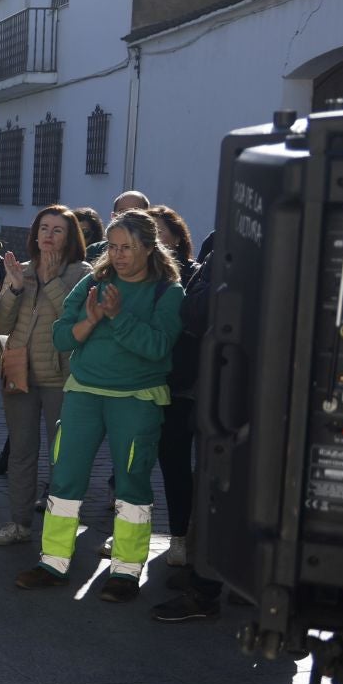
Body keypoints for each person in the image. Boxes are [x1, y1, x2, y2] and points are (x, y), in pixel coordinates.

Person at [15, 209, 183, 602]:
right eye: (114, 247)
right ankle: (52, 562)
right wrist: (90, 322)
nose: (119, 255)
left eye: (128, 247)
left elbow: (158, 349)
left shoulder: (167, 292)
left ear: (148, 248)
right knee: (65, 480)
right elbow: (60, 338)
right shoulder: (94, 281)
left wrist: (118, 317)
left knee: (132, 485)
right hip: (84, 394)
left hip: (137, 400)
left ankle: (125, 571)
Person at [0, 205, 84, 546]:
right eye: (44, 227)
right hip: (19, 373)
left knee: (62, 456)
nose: (49, 235)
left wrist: (54, 281)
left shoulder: (81, 272)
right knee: (22, 453)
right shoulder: (21, 270)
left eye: (58, 230)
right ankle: (19, 523)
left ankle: (59, 534)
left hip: (61, 378)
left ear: (70, 237)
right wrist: (13, 288)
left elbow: (74, 323)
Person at [148, 205, 199, 571]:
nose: (152, 239)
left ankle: (181, 536)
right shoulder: (133, 276)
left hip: (181, 387)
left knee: (177, 464)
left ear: (178, 237)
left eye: (159, 232)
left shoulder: (194, 276)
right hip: (141, 383)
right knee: (132, 464)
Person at [85, 190, 152, 260]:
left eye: (135, 212)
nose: (128, 217)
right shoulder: (95, 251)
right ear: (113, 216)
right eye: (123, 212)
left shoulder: (155, 253)